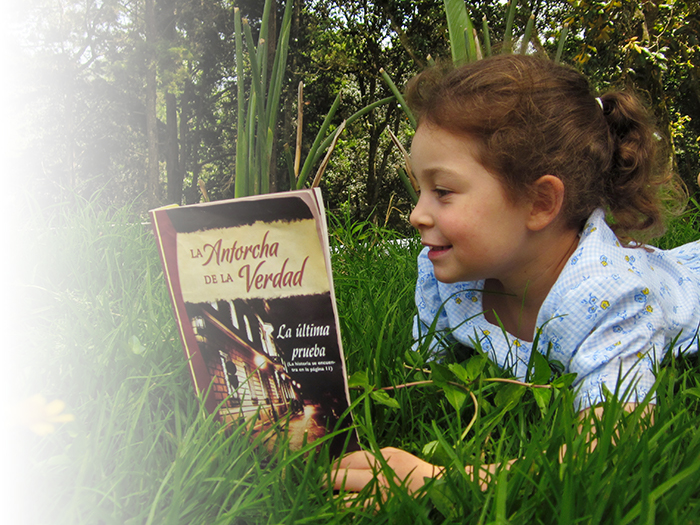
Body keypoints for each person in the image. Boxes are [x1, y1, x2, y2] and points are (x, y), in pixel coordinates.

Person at [332, 54, 700, 495]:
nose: (415, 215)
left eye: (443, 191)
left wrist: (443, 482)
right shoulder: (446, 274)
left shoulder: (615, 300)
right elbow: (423, 374)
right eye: (419, 190)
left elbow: (612, 448)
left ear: (539, 203)